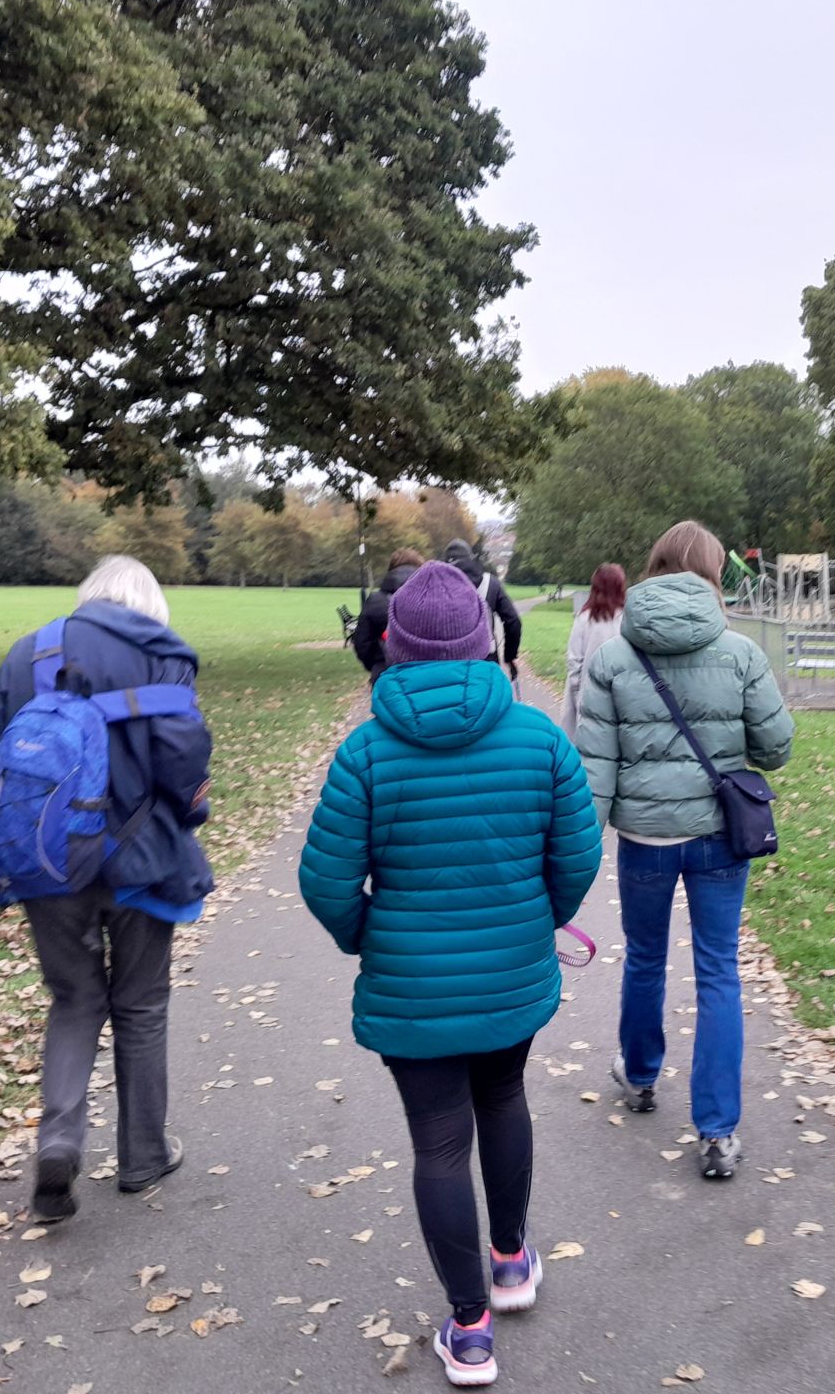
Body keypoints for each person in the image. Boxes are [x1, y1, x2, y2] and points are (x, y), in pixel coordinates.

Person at [298, 560, 601, 1387]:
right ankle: (509, 1263)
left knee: (438, 1143)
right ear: (483, 638)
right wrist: (535, 920)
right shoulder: (538, 736)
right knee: (503, 1098)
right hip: (510, 981)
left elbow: (325, 881)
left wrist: (372, 936)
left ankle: (470, 1330)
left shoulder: (365, 753)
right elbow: (578, 854)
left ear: (393, 645)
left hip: (412, 990)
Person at [0, 555, 212, 1221]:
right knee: (140, 1004)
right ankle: (142, 1157)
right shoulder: (164, 656)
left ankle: (59, 1143)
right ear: (149, 605)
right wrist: (190, 814)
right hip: (140, 861)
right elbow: (184, 767)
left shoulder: (29, 653)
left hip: (47, 864)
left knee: (73, 1000)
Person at [576, 521, 794, 1180]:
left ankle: (640, 1076)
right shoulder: (741, 652)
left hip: (644, 840)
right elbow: (776, 746)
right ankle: (718, 1130)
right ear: (714, 573)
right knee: (719, 971)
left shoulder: (613, 657)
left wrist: (580, 850)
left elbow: (596, 771)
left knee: (644, 958)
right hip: (718, 837)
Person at [559, 563, 626, 738]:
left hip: (587, 697)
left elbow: (574, 661)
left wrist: (576, 695)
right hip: (620, 698)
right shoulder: (627, 619)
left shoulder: (584, 619)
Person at [444, 538, 523, 679]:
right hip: (486, 659)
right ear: (472, 558)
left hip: (449, 662)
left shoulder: (439, 584)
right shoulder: (490, 583)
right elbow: (513, 621)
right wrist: (509, 656)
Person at [351, 546, 425, 681]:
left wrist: (376, 665)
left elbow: (362, 643)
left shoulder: (375, 601)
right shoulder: (430, 599)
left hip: (384, 672)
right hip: (422, 673)